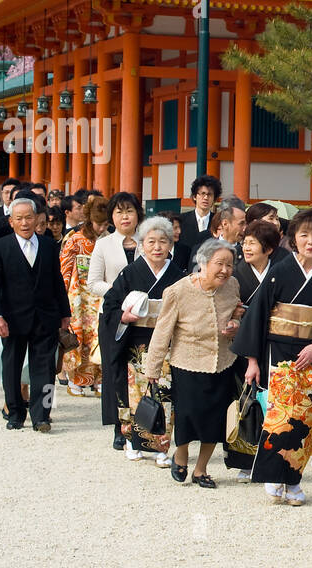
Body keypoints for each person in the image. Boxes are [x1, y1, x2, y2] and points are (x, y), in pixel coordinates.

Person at [234, 209, 312, 505]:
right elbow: (258, 315)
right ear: (293, 239)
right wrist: (252, 361)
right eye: (304, 235)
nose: (310, 241)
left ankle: (294, 480)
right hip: (279, 353)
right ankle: (274, 478)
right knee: (279, 417)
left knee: (307, 419)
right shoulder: (280, 272)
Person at [145, 238, 241, 489]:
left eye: (229, 265)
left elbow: (236, 313)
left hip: (223, 362)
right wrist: (152, 368)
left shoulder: (232, 285)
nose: (225, 270)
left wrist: (235, 324)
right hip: (187, 362)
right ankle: (181, 454)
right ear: (203, 263)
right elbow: (162, 331)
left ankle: (201, 469)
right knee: (187, 415)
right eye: (219, 263)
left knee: (216, 419)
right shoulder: (178, 291)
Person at [101, 216, 185, 465]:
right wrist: (123, 316)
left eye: (163, 241)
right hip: (135, 341)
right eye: (151, 241)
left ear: (170, 244)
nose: (157, 247)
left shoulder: (179, 275)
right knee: (134, 393)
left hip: (167, 343)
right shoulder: (130, 273)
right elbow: (110, 305)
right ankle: (131, 441)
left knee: (165, 394)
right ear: (142, 244)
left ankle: (161, 447)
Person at [0, 196, 71, 433]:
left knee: (45, 369)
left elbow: (57, 281)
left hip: (46, 316)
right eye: (19, 218)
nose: (24, 223)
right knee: (11, 368)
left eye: (29, 217)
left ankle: (42, 415)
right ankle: (15, 413)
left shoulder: (48, 245)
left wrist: (65, 313)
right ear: (11, 221)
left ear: (37, 219)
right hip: (12, 318)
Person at [224, 219, 281, 479]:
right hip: (243, 342)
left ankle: (271, 457)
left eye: (253, 243)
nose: (246, 248)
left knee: (271, 400)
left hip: (274, 341)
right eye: (244, 242)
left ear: (268, 248)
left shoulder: (280, 271)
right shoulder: (236, 274)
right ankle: (245, 459)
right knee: (243, 399)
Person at [88, 191, 142, 448]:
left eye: (129, 211)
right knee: (115, 371)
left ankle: (144, 423)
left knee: (141, 370)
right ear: (111, 216)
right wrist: (120, 295)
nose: (124, 216)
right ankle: (119, 426)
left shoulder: (149, 240)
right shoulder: (104, 243)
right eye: (119, 212)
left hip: (144, 316)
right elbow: (93, 282)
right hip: (112, 315)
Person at [59, 196, 108, 396]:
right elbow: (65, 270)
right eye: (99, 224)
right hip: (78, 295)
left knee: (99, 336)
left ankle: (99, 379)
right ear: (89, 220)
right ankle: (75, 379)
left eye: (106, 224)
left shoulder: (108, 240)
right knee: (79, 337)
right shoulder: (75, 239)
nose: (102, 228)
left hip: (100, 295)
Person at [179, 175, 220, 249]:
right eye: (202, 193)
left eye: (209, 194)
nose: (206, 198)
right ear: (194, 196)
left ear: (214, 198)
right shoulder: (181, 220)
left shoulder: (218, 221)